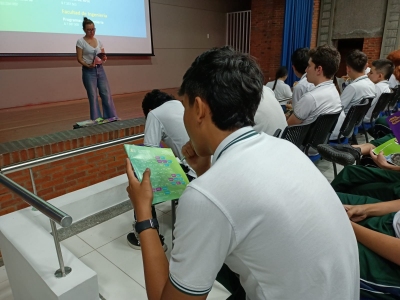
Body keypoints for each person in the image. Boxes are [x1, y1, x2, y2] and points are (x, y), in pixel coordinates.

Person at [125, 46, 359, 300]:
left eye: (184, 106)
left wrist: (144, 215)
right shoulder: (286, 149)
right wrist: (205, 171)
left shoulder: (205, 196)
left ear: (200, 109)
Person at [126, 89, 195, 251]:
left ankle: (149, 235)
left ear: (148, 110)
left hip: (194, 175)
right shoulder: (183, 106)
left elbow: (150, 156)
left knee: (140, 175)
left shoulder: (155, 114)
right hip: (209, 169)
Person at [337, 193, 400, 299]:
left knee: (322, 253)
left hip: (392, 258)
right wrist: (366, 209)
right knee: (326, 197)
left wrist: (347, 226)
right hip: (391, 219)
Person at [287, 45, 343, 126]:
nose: (306, 70)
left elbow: (288, 126)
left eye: (309, 66)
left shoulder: (310, 98)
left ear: (318, 70)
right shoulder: (334, 90)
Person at [76, 17, 118, 121]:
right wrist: (87, 65)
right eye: (89, 30)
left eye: (93, 29)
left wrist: (104, 58)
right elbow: (79, 58)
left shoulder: (99, 41)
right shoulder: (80, 42)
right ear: (84, 30)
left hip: (100, 69)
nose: (92, 32)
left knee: (106, 93)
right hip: (88, 71)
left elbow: (103, 54)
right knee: (93, 96)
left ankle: (111, 116)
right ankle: (96, 119)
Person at [330, 50, 376, 140]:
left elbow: (338, 107)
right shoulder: (371, 84)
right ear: (366, 66)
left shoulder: (353, 87)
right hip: (354, 124)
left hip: (343, 128)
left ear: (348, 69)